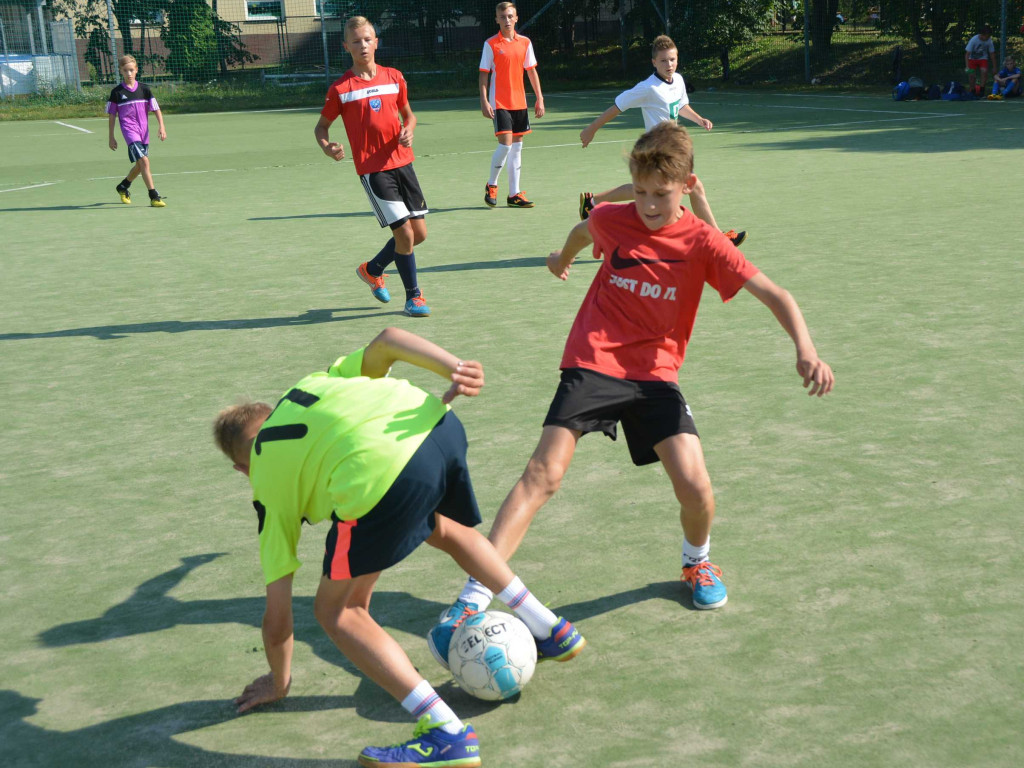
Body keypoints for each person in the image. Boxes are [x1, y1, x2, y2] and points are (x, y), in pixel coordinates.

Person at [428, 123, 834, 658]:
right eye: (639, 191)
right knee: (542, 474)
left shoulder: (704, 243)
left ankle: (696, 561)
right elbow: (581, 233)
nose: (646, 204)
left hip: (656, 375)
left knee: (697, 489)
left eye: (660, 195)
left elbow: (775, 293)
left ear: (687, 185)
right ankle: (475, 594)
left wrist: (805, 348)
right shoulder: (609, 218)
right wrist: (560, 260)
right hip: (593, 360)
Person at [213, 327, 585, 768]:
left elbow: (278, 618)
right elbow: (388, 339)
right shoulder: (310, 387)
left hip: (380, 473)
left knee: (336, 612)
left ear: (241, 467)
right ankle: (551, 629)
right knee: (437, 526)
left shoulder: (266, 485)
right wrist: (455, 369)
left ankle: (446, 734)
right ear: (274, 411)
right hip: (438, 428)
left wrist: (279, 680)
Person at [578, 35, 744, 247]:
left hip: (672, 150)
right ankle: (715, 239)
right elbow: (618, 106)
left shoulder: (679, 81)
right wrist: (592, 129)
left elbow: (680, 106)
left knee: (651, 189)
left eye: (672, 59)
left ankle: (593, 202)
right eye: (664, 61)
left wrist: (699, 118)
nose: (669, 64)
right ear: (654, 62)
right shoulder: (648, 88)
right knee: (689, 188)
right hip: (655, 151)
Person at [315, 16, 431, 318]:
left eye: (367, 39)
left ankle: (373, 268)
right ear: (346, 47)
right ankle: (413, 298)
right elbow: (321, 128)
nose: (363, 45)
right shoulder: (341, 88)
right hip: (373, 170)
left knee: (419, 234)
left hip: (404, 164)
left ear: (376, 42)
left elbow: (409, 115)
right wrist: (328, 148)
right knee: (404, 235)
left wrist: (410, 128)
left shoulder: (394, 77)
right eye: (356, 41)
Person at [479, 1, 545, 209]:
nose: (507, 20)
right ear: (496, 19)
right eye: (503, 16)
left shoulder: (525, 42)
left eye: (510, 16)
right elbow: (484, 74)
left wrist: (539, 98)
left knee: (517, 148)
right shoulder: (491, 44)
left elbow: (531, 71)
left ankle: (514, 194)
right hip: (500, 103)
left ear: (516, 18)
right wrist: (483, 101)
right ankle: (492, 184)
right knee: (505, 145)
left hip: (520, 103)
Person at [106, 54, 166, 208]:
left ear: (137, 70)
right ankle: (153, 196)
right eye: (125, 71)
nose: (129, 73)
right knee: (145, 161)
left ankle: (123, 186)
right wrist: (111, 136)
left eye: (131, 70)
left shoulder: (145, 89)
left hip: (143, 132)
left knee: (140, 166)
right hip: (130, 132)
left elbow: (156, 109)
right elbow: (112, 115)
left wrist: (162, 126)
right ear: (121, 71)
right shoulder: (117, 92)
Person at [965, 25, 997, 96]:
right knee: (972, 75)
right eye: (987, 36)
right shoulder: (974, 40)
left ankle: (982, 90)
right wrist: (967, 66)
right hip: (972, 59)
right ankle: (972, 90)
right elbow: (967, 54)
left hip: (982, 59)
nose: (988, 37)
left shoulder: (989, 41)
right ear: (982, 35)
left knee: (984, 71)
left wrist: (994, 67)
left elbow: (992, 54)